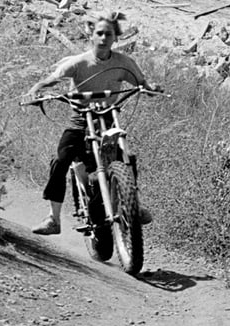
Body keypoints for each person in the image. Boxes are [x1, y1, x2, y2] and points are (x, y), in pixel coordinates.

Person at [26, 16, 159, 236]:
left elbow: (143, 83)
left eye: (109, 34)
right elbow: (52, 78)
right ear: (92, 36)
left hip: (108, 118)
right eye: (100, 33)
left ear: (116, 38)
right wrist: (37, 89)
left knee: (127, 157)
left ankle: (134, 203)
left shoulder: (123, 62)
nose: (104, 38)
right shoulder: (80, 62)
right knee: (61, 159)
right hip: (80, 119)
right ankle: (53, 218)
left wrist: (151, 88)